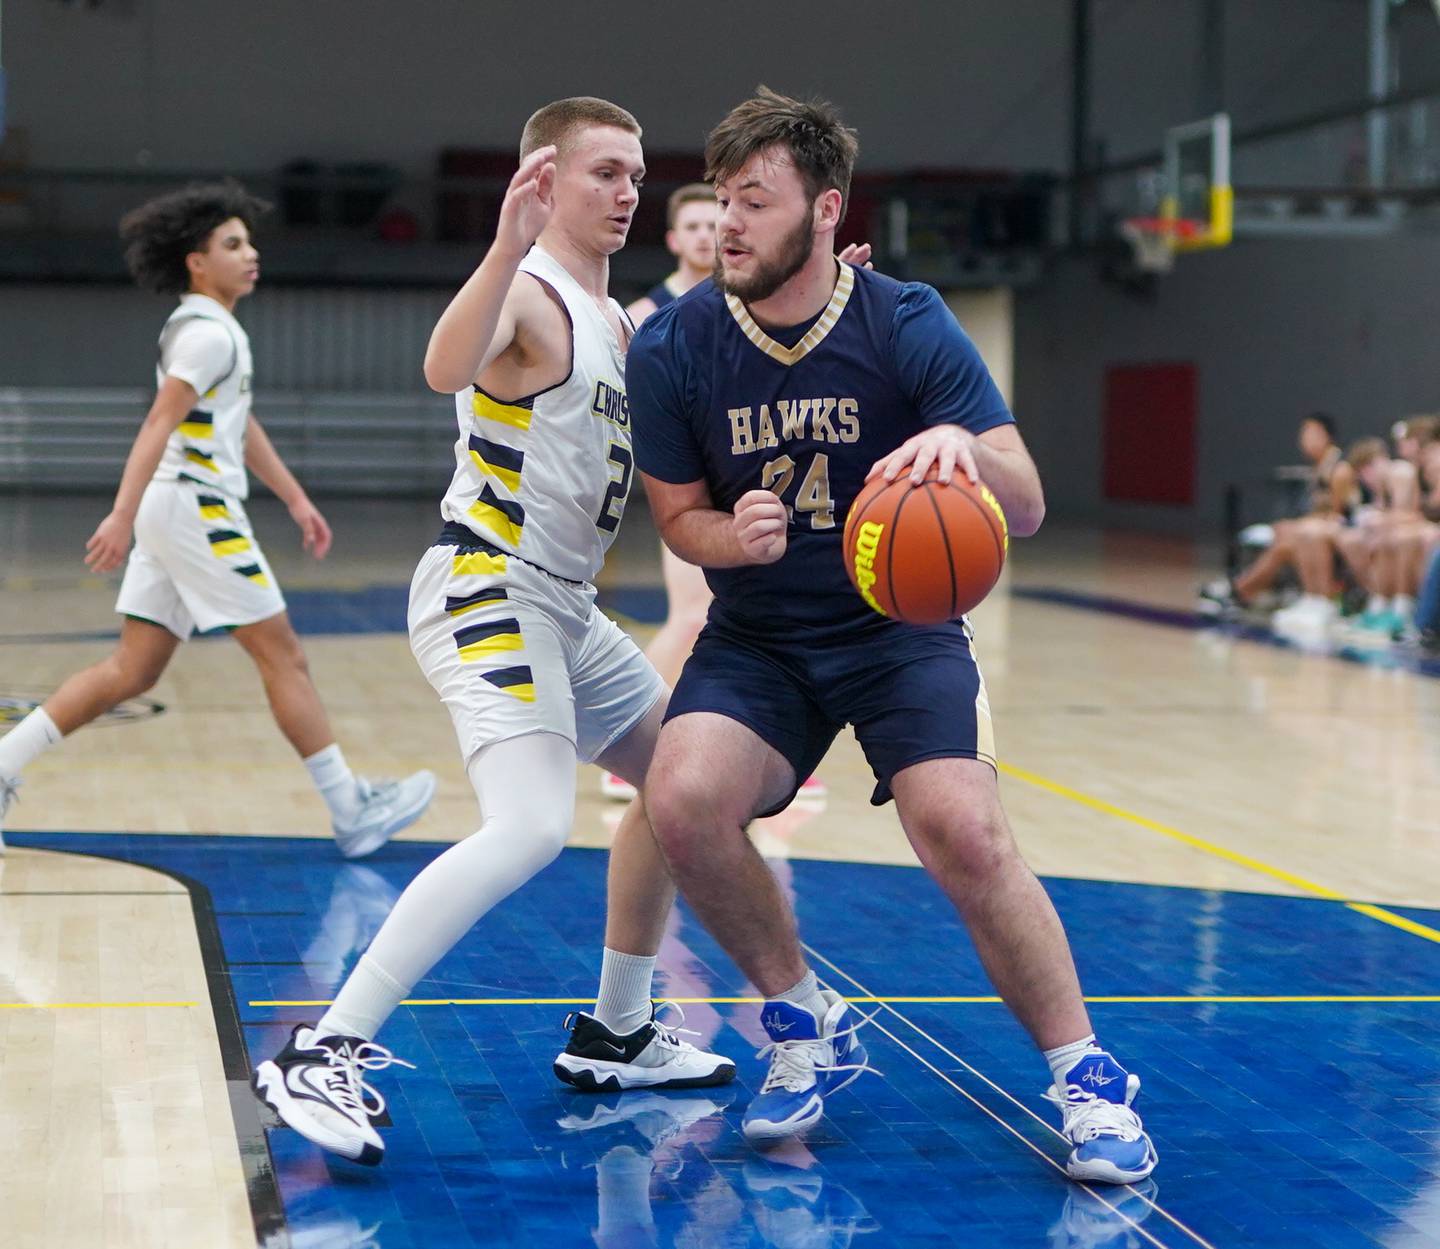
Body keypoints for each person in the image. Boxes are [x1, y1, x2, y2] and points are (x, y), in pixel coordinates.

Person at [628, 87, 1156, 1184]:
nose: (728, 222)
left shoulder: (905, 320)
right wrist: (732, 533)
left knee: (962, 828)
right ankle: (802, 1021)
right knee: (679, 799)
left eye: (755, 201)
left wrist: (965, 441)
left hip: (898, 630)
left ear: (825, 213)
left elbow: (1029, 504)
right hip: (762, 635)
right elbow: (677, 517)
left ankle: (1087, 1079)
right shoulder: (674, 343)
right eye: (723, 198)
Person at [251, 98, 733, 1168]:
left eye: (635, 174)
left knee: (686, 778)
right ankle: (320, 1048)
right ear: (542, 180)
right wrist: (501, 246)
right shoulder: (526, 289)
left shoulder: (616, 321)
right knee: (527, 828)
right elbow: (442, 365)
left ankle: (620, 1026)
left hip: (566, 603)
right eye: (603, 171)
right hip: (489, 583)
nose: (626, 193)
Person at [0, 183, 435, 857]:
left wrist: (293, 495)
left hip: (174, 507)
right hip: (194, 507)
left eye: (249, 241)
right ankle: (351, 808)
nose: (251, 253)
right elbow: (158, 421)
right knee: (283, 653)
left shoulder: (205, 328)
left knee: (132, 670)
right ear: (196, 262)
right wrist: (118, 514)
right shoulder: (205, 334)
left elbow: (238, 421)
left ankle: (1, 765)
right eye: (233, 244)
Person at [603, 182, 825, 802]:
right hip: (693, 490)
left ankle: (768, 748)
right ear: (675, 240)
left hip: (755, 486)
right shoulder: (649, 317)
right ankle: (631, 744)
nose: (707, 234)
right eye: (694, 226)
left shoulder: (758, 301)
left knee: (756, 618)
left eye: (713, 222)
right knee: (691, 616)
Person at [1198, 412, 1346, 617]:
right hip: (1314, 532)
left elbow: (1336, 517)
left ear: (1324, 434)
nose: (1302, 439)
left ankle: (1240, 591)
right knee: (1283, 543)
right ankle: (1242, 590)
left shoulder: (1340, 469)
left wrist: (1297, 525)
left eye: (1308, 433)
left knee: (1292, 536)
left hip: (1333, 538)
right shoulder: (1319, 467)